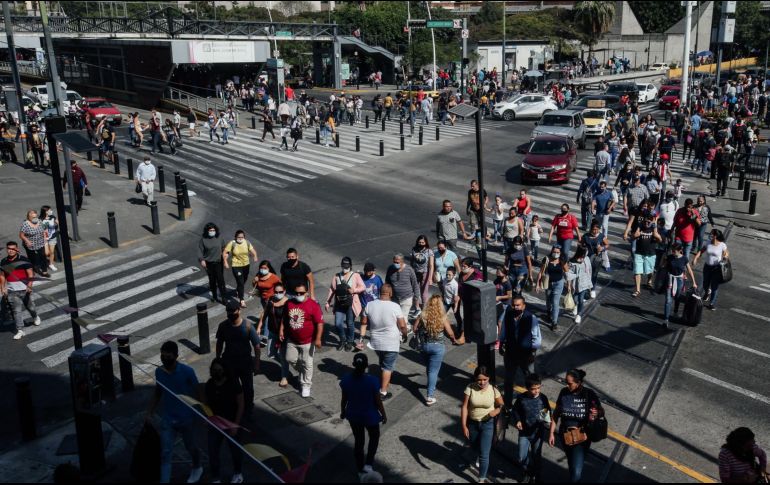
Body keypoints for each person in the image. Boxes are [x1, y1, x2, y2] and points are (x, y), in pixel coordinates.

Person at [146, 341, 203, 484]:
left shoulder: (187, 372)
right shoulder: (159, 372)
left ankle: (197, 466)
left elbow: (199, 392)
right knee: (165, 453)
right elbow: (158, 392)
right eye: (162, 356)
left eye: (168, 356)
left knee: (191, 447)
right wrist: (149, 411)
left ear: (176, 356)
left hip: (187, 418)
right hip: (169, 419)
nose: (164, 359)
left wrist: (203, 413)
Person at [548, 369, 605, 483]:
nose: (567, 386)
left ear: (578, 383)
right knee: (571, 462)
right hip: (565, 435)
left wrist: (596, 412)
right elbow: (556, 414)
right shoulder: (564, 392)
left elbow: (601, 411)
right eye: (566, 382)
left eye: (570, 383)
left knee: (577, 471)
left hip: (581, 438)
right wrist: (551, 433)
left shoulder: (589, 394)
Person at [339, 353, 387, 480]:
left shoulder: (346, 380)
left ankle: (360, 468)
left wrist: (343, 411)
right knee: (374, 437)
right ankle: (369, 464)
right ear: (366, 366)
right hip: (370, 416)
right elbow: (378, 401)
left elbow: (344, 399)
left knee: (359, 441)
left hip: (353, 415)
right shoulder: (372, 381)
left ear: (354, 365)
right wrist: (384, 414)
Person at [359, 284, 408, 400]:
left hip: (376, 342)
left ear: (379, 293)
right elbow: (402, 325)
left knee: (383, 363)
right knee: (387, 367)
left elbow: (364, 323)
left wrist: (361, 338)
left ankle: (384, 380)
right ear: (390, 294)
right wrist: (405, 335)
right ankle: (383, 392)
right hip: (391, 342)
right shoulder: (395, 306)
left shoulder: (369, 305)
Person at [204, 358, 244, 484]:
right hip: (216, 423)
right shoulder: (210, 384)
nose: (217, 372)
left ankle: (238, 473)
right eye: (214, 370)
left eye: (219, 370)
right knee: (213, 451)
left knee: (235, 450)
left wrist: (235, 425)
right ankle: (215, 477)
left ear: (225, 371)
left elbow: (241, 403)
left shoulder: (233, 383)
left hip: (231, 422)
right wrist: (208, 418)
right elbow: (207, 404)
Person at [460, 366, 503, 484]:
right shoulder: (470, 388)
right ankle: (478, 455)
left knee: (484, 454)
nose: (482, 382)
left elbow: (501, 405)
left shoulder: (494, 390)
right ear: (475, 379)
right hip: (473, 424)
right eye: (479, 380)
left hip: (488, 424)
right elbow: (464, 407)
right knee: (474, 446)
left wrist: (496, 411)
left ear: (489, 378)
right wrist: (464, 426)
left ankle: (481, 478)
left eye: (485, 379)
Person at [280, 283, 324, 397]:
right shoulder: (289, 303)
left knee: (307, 363)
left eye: (301, 293)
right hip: (292, 340)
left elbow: (319, 323)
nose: (299, 295)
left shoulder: (313, 305)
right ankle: (303, 372)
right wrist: (281, 330)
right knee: (289, 359)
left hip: (308, 341)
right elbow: (284, 318)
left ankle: (306, 385)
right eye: (296, 293)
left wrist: (318, 339)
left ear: (307, 293)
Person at [215, 301, 260, 413]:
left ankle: (248, 408)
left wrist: (257, 364)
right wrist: (218, 359)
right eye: (228, 311)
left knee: (248, 388)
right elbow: (219, 343)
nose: (231, 313)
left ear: (239, 310)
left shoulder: (248, 326)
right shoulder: (223, 326)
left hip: (245, 363)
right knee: (231, 387)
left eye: (233, 311)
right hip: (229, 363)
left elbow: (257, 346)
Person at [413, 294, 457, 405]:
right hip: (437, 347)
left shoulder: (422, 315)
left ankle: (430, 386)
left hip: (424, 346)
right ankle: (430, 396)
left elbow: (414, 328)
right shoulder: (442, 317)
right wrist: (454, 339)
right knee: (433, 371)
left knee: (429, 368)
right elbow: (450, 333)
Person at [499, 295, 541, 408]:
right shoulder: (508, 315)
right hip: (511, 353)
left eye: (518, 305)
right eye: (513, 305)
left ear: (524, 305)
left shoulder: (531, 318)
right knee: (508, 380)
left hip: (525, 355)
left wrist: (532, 353)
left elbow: (536, 338)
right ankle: (508, 404)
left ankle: (534, 402)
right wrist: (501, 343)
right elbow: (503, 330)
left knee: (531, 379)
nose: (515, 307)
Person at [511, 374, 552, 484]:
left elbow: (546, 412)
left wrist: (547, 421)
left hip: (538, 433)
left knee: (536, 456)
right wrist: (518, 420)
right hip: (524, 433)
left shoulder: (543, 398)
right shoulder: (521, 398)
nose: (536, 391)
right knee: (521, 456)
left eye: (538, 388)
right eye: (533, 389)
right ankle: (526, 472)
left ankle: (537, 476)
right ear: (527, 388)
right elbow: (515, 411)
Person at [0, 241, 41, 340]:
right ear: (7, 249)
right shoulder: (3, 261)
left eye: (13, 249)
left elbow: (30, 274)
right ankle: (20, 330)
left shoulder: (24, 260)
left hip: (25, 290)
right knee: (16, 311)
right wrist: (2, 287)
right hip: (12, 291)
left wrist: (30, 285)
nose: (11, 250)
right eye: (9, 248)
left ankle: (35, 316)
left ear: (17, 249)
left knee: (30, 307)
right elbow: (2, 276)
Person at [325, 257, 366, 351]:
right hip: (339, 304)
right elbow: (332, 289)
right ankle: (343, 340)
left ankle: (350, 341)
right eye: (343, 264)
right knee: (338, 323)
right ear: (341, 265)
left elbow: (363, 287)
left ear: (350, 265)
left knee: (350, 323)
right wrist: (328, 302)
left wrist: (354, 290)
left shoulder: (355, 275)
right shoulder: (336, 276)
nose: (345, 266)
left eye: (347, 265)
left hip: (351, 303)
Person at [692, 229, 729, 310]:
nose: (710, 235)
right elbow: (701, 251)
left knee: (714, 286)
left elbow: (726, 253)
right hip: (707, 267)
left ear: (716, 236)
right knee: (705, 283)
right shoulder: (708, 242)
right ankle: (707, 291)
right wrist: (695, 258)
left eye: (712, 234)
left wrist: (725, 256)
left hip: (716, 268)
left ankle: (711, 303)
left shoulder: (722, 245)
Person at [661, 243, 697, 326]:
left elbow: (690, 270)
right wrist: (663, 259)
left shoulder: (684, 259)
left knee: (677, 296)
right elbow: (662, 266)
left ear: (680, 250)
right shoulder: (670, 257)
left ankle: (675, 311)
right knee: (668, 300)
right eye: (672, 251)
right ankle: (666, 319)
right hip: (670, 279)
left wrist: (694, 282)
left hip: (679, 280)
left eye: (674, 251)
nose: (673, 252)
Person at [222, 230, 258, 308]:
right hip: (236, 265)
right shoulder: (232, 243)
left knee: (243, 280)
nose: (240, 238)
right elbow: (225, 252)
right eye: (239, 237)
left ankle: (238, 290)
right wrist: (225, 261)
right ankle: (242, 300)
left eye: (242, 237)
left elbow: (253, 251)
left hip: (246, 265)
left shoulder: (247, 242)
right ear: (235, 237)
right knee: (241, 282)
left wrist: (255, 256)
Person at [537, 245, 569, 330]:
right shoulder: (546, 259)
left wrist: (569, 285)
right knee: (548, 299)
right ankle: (548, 311)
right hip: (548, 283)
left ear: (560, 253)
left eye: (558, 252)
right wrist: (537, 284)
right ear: (551, 251)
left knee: (555, 303)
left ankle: (554, 322)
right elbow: (541, 272)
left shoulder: (562, 260)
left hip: (559, 283)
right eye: (554, 252)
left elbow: (567, 273)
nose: (556, 254)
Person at [257, 282, 288, 363]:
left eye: (280, 292)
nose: (278, 294)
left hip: (283, 334)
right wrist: (259, 327)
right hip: (272, 332)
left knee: (283, 354)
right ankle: (284, 361)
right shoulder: (271, 300)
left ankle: (286, 370)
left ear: (284, 291)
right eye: (276, 292)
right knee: (271, 354)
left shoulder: (288, 303)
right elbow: (264, 313)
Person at [632, 216, 662, 297]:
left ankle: (649, 280)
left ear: (652, 222)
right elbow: (633, 237)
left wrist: (657, 236)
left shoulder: (654, 228)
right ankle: (637, 290)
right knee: (637, 271)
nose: (646, 223)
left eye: (649, 222)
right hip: (639, 253)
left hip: (650, 254)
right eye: (645, 221)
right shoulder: (640, 226)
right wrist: (635, 235)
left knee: (649, 270)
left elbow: (660, 240)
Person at [385, 253, 421, 320]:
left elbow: (415, 284)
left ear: (402, 261)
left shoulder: (409, 270)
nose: (395, 264)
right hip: (395, 298)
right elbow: (387, 283)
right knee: (394, 317)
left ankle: (403, 329)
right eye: (394, 262)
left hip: (406, 298)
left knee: (403, 318)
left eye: (397, 262)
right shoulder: (390, 269)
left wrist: (416, 297)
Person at [198, 222, 227, 303]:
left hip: (218, 263)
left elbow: (224, 247)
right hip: (209, 263)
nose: (212, 231)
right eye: (210, 230)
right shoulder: (203, 239)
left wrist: (225, 255)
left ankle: (224, 298)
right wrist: (202, 260)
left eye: (213, 230)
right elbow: (200, 251)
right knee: (212, 280)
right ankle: (214, 295)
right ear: (207, 231)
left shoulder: (219, 237)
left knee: (221, 280)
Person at [567, 247, 593, 324]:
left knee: (581, 299)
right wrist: (569, 285)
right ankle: (575, 306)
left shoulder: (586, 259)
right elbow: (569, 274)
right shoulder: (572, 262)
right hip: (575, 284)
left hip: (584, 283)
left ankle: (579, 315)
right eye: (585, 253)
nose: (586, 255)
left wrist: (589, 283)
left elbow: (589, 270)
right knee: (575, 299)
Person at [19, 209, 49, 277]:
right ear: (29, 217)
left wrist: (45, 239)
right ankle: (32, 269)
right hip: (30, 245)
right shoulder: (25, 224)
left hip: (40, 242)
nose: (35, 218)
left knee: (43, 256)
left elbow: (44, 230)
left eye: (35, 217)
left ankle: (44, 271)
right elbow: (21, 235)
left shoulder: (40, 221)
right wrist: (27, 241)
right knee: (33, 258)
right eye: (33, 217)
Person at [411, 235, 435, 310]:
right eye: (419, 242)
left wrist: (430, 278)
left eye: (422, 242)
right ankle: (417, 308)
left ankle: (425, 309)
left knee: (424, 292)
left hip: (425, 273)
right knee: (415, 291)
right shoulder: (414, 249)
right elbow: (411, 261)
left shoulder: (429, 251)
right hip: (415, 273)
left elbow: (431, 265)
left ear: (426, 242)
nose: (421, 244)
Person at [40, 205, 58, 271]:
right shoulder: (40, 219)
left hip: (52, 236)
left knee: (52, 252)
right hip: (44, 238)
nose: (51, 211)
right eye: (49, 210)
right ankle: (43, 263)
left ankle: (51, 264)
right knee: (46, 253)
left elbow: (59, 222)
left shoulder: (52, 217)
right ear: (45, 212)